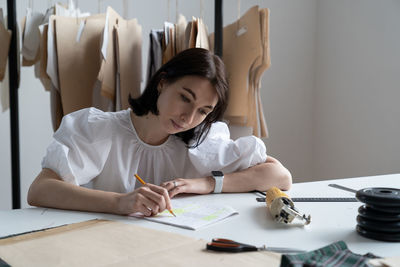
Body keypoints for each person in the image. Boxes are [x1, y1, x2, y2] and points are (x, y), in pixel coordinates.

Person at [28, 48, 292, 217]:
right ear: (162, 83)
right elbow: (39, 190)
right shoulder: (101, 130)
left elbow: (280, 177)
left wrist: (207, 184)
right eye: (185, 98)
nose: (188, 118)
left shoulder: (201, 140)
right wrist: (119, 202)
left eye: (203, 111)